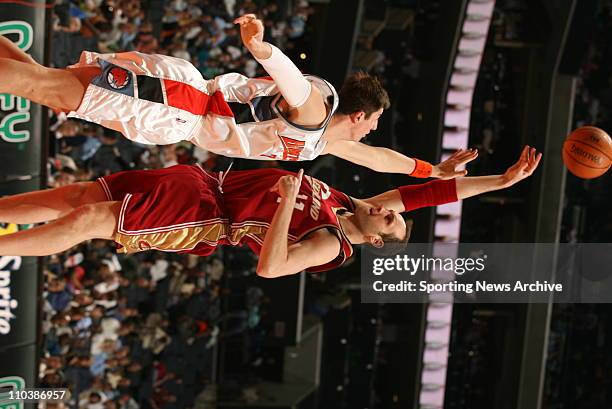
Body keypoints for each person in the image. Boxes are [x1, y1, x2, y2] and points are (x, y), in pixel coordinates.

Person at [0, 14, 475, 179]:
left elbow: (379, 160)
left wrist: (431, 170)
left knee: (51, 87)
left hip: (177, 108)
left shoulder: (325, 139)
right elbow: (294, 85)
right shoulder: (316, 108)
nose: (373, 130)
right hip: (176, 103)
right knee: (47, 88)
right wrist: (264, 50)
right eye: (374, 121)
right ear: (360, 112)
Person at [0, 147, 540, 276]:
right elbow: (428, 194)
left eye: (394, 221)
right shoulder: (351, 204)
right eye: (394, 212)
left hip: (208, 214)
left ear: (378, 240)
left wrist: (284, 208)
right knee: (74, 198)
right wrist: (498, 180)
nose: (393, 211)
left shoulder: (337, 238)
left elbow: (272, 267)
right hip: (200, 180)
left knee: (90, 224)